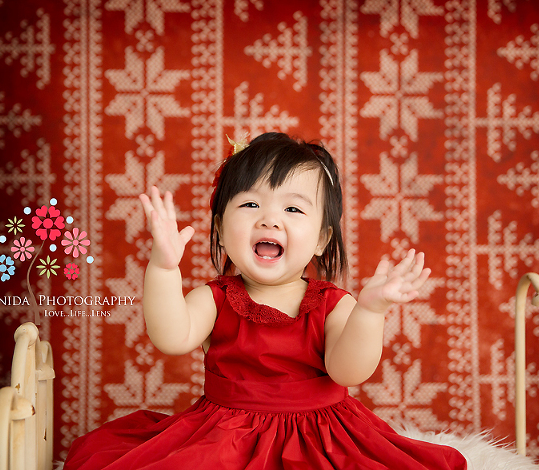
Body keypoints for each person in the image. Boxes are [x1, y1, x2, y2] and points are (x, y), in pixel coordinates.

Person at [64, 132, 467, 469]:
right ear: (220, 229)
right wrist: (164, 267)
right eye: (251, 204)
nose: (269, 220)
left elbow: (348, 371)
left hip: (323, 439)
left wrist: (371, 310)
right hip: (223, 439)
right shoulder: (217, 298)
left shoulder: (333, 305)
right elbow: (171, 336)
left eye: (292, 208)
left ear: (323, 238)